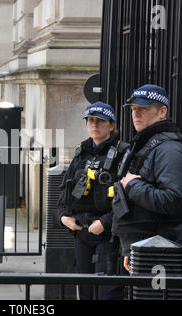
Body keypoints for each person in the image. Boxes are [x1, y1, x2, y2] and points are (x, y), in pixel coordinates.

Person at [111, 84, 182, 272]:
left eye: (144, 109)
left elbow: (173, 200)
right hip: (144, 249)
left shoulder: (170, 149)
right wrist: (129, 248)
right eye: (134, 109)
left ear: (162, 111)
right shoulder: (144, 144)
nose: (136, 114)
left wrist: (133, 185)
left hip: (162, 251)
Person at [57, 102, 125, 300]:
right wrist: (63, 218)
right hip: (81, 234)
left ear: (111, 125)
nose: (94, 125)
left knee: (107, 293)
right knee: (84, 292)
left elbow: (129, 199)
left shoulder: (123, 154)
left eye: (100, 121)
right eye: (91, 121)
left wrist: (105, 223)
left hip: (108, 236)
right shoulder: (81, 153)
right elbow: (64, 193)